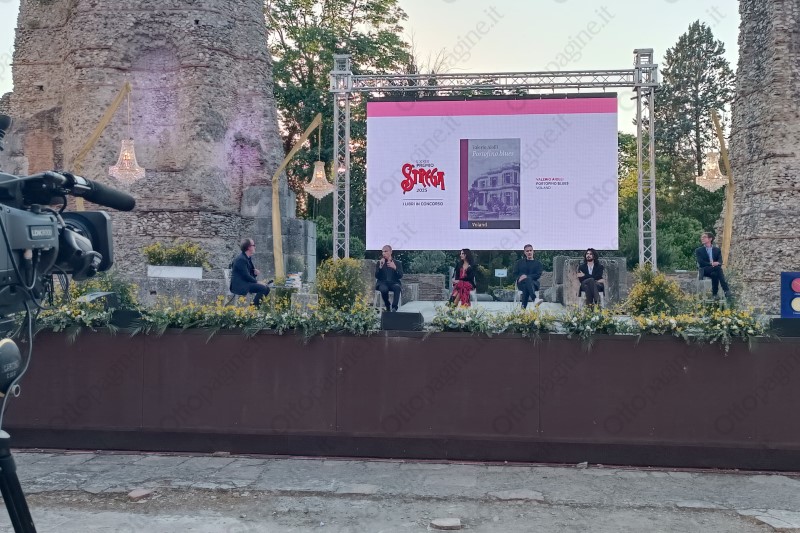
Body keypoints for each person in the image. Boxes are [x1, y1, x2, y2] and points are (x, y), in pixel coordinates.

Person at [230, 238, 271, 307]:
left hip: (245, 283)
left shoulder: (247, 258)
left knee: (266, 288)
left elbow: (248, 273)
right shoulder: (241, 259)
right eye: (253, 245)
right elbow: (246, 275)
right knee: (263, 288)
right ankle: (252, 309)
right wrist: (258, 282)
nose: (255, 247)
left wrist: (254, 273)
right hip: (240, 285)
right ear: (249, 247)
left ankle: (253, 308)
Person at [695, 231, 731, 299]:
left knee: (715, 274)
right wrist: (712, 264)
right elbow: (701, 262)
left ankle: (714, 294)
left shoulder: (717, 250)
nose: (702, 238)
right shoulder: (698, 250)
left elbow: (720, 261)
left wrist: (717, 263)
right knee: (718, 269)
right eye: (701, 237)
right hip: (704, 270)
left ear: (710, 239)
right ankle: (726, 290)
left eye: (704, 237)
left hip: (714, 270)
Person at [514, 244, 543, 309]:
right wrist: (519, 278)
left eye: (530, 250)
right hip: (521, 283)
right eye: (527, 251)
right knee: (526, 284)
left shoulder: (538, 264)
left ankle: (523, 310)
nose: (529, 252)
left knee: (527, 282)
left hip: (534, 284)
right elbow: (515, 274)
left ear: (533, 251)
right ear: (524, 252)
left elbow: (538, 275)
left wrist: (526, 276)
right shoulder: (519, 263)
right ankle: (535, 299)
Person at [375, 244, 403, 312]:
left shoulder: (397, 263)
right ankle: (387, 305)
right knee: (384, 289)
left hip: (393, 283)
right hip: (382, 283)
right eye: (382, 251)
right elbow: (376, 276)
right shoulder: (379, 263)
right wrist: (380, 267)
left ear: (391, 252)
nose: (383, 253)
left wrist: (395, 268)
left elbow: (400, 275)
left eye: (385, 251)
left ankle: (394, 307)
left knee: (397, 287)